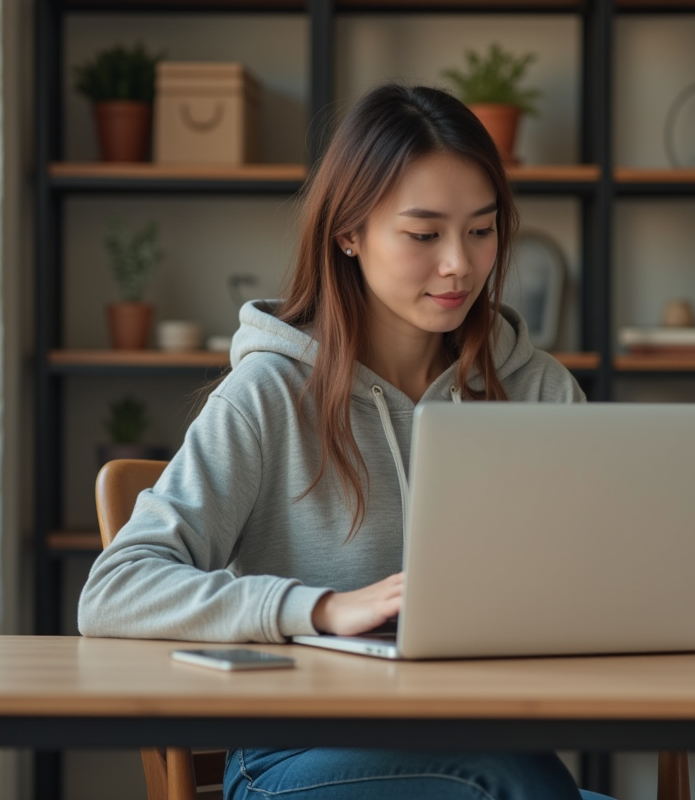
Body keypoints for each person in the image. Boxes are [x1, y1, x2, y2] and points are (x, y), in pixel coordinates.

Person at [79, 83, 591, 800]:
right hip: (292, 760)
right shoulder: (269, 393)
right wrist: (317, 610)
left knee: (507, 776)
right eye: (424, 234)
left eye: (481, 230)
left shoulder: (538, 390)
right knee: (506, 779)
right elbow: (115, 590)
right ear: (349, 232)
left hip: (489, 745)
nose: (460, 265)